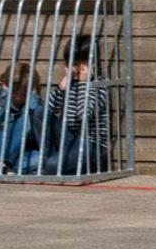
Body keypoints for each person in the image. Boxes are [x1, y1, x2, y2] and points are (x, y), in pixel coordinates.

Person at [43, 35, 110, 175]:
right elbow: (47, 112)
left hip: (92, 144)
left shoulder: (99, 86)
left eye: (80, 63)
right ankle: (51, 159)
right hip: (70, 139)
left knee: (51, 166)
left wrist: (84, 84)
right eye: (71, 63)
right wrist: (61, 88)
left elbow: (83, 114)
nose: (75, 68)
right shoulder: (70, 84)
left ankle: (53, 163)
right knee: (38, 113)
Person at [0, 62, 44, 175]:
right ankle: (0, 163)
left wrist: (32, 97)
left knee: (40, 158)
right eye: (14, 92)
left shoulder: (33, 104)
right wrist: (6, 101)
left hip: (17, 156)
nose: (18, 98)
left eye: (24, 94)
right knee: (22, 120)